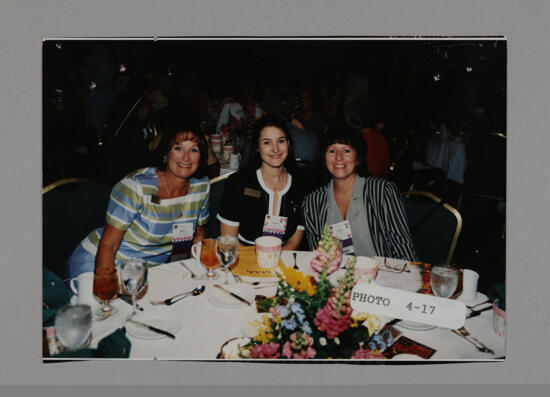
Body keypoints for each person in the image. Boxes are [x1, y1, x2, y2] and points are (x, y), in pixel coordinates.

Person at [67, 122, 210, 278]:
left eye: (194, 150)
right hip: (102, 264)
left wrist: (194, 275)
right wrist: (107, 285)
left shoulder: (201, 187)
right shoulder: (136, 187)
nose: (186, 157)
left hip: (146, 273)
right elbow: (109, 245)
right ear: (166, 153)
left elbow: (198, 237)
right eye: (178, 148)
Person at [301, 123, 417, 261]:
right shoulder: (312, 203)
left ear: (358, 158)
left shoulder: (382, 192)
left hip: (383, 278)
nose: (338, 157)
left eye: (347, 150)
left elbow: (404, 252)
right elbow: (318, 262)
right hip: (337, 280)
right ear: (324, 158)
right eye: (332, 151)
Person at [217, 114, 309, 249]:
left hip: (283, 259)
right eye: (267, 142)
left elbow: (293, 242)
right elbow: (228, 241)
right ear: (257, 147)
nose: (275, 149)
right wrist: (260, 263)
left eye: (281, 141)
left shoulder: (300, 184)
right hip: (243, 258)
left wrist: (274, 263)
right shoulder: (238, 182)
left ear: (288, 144)